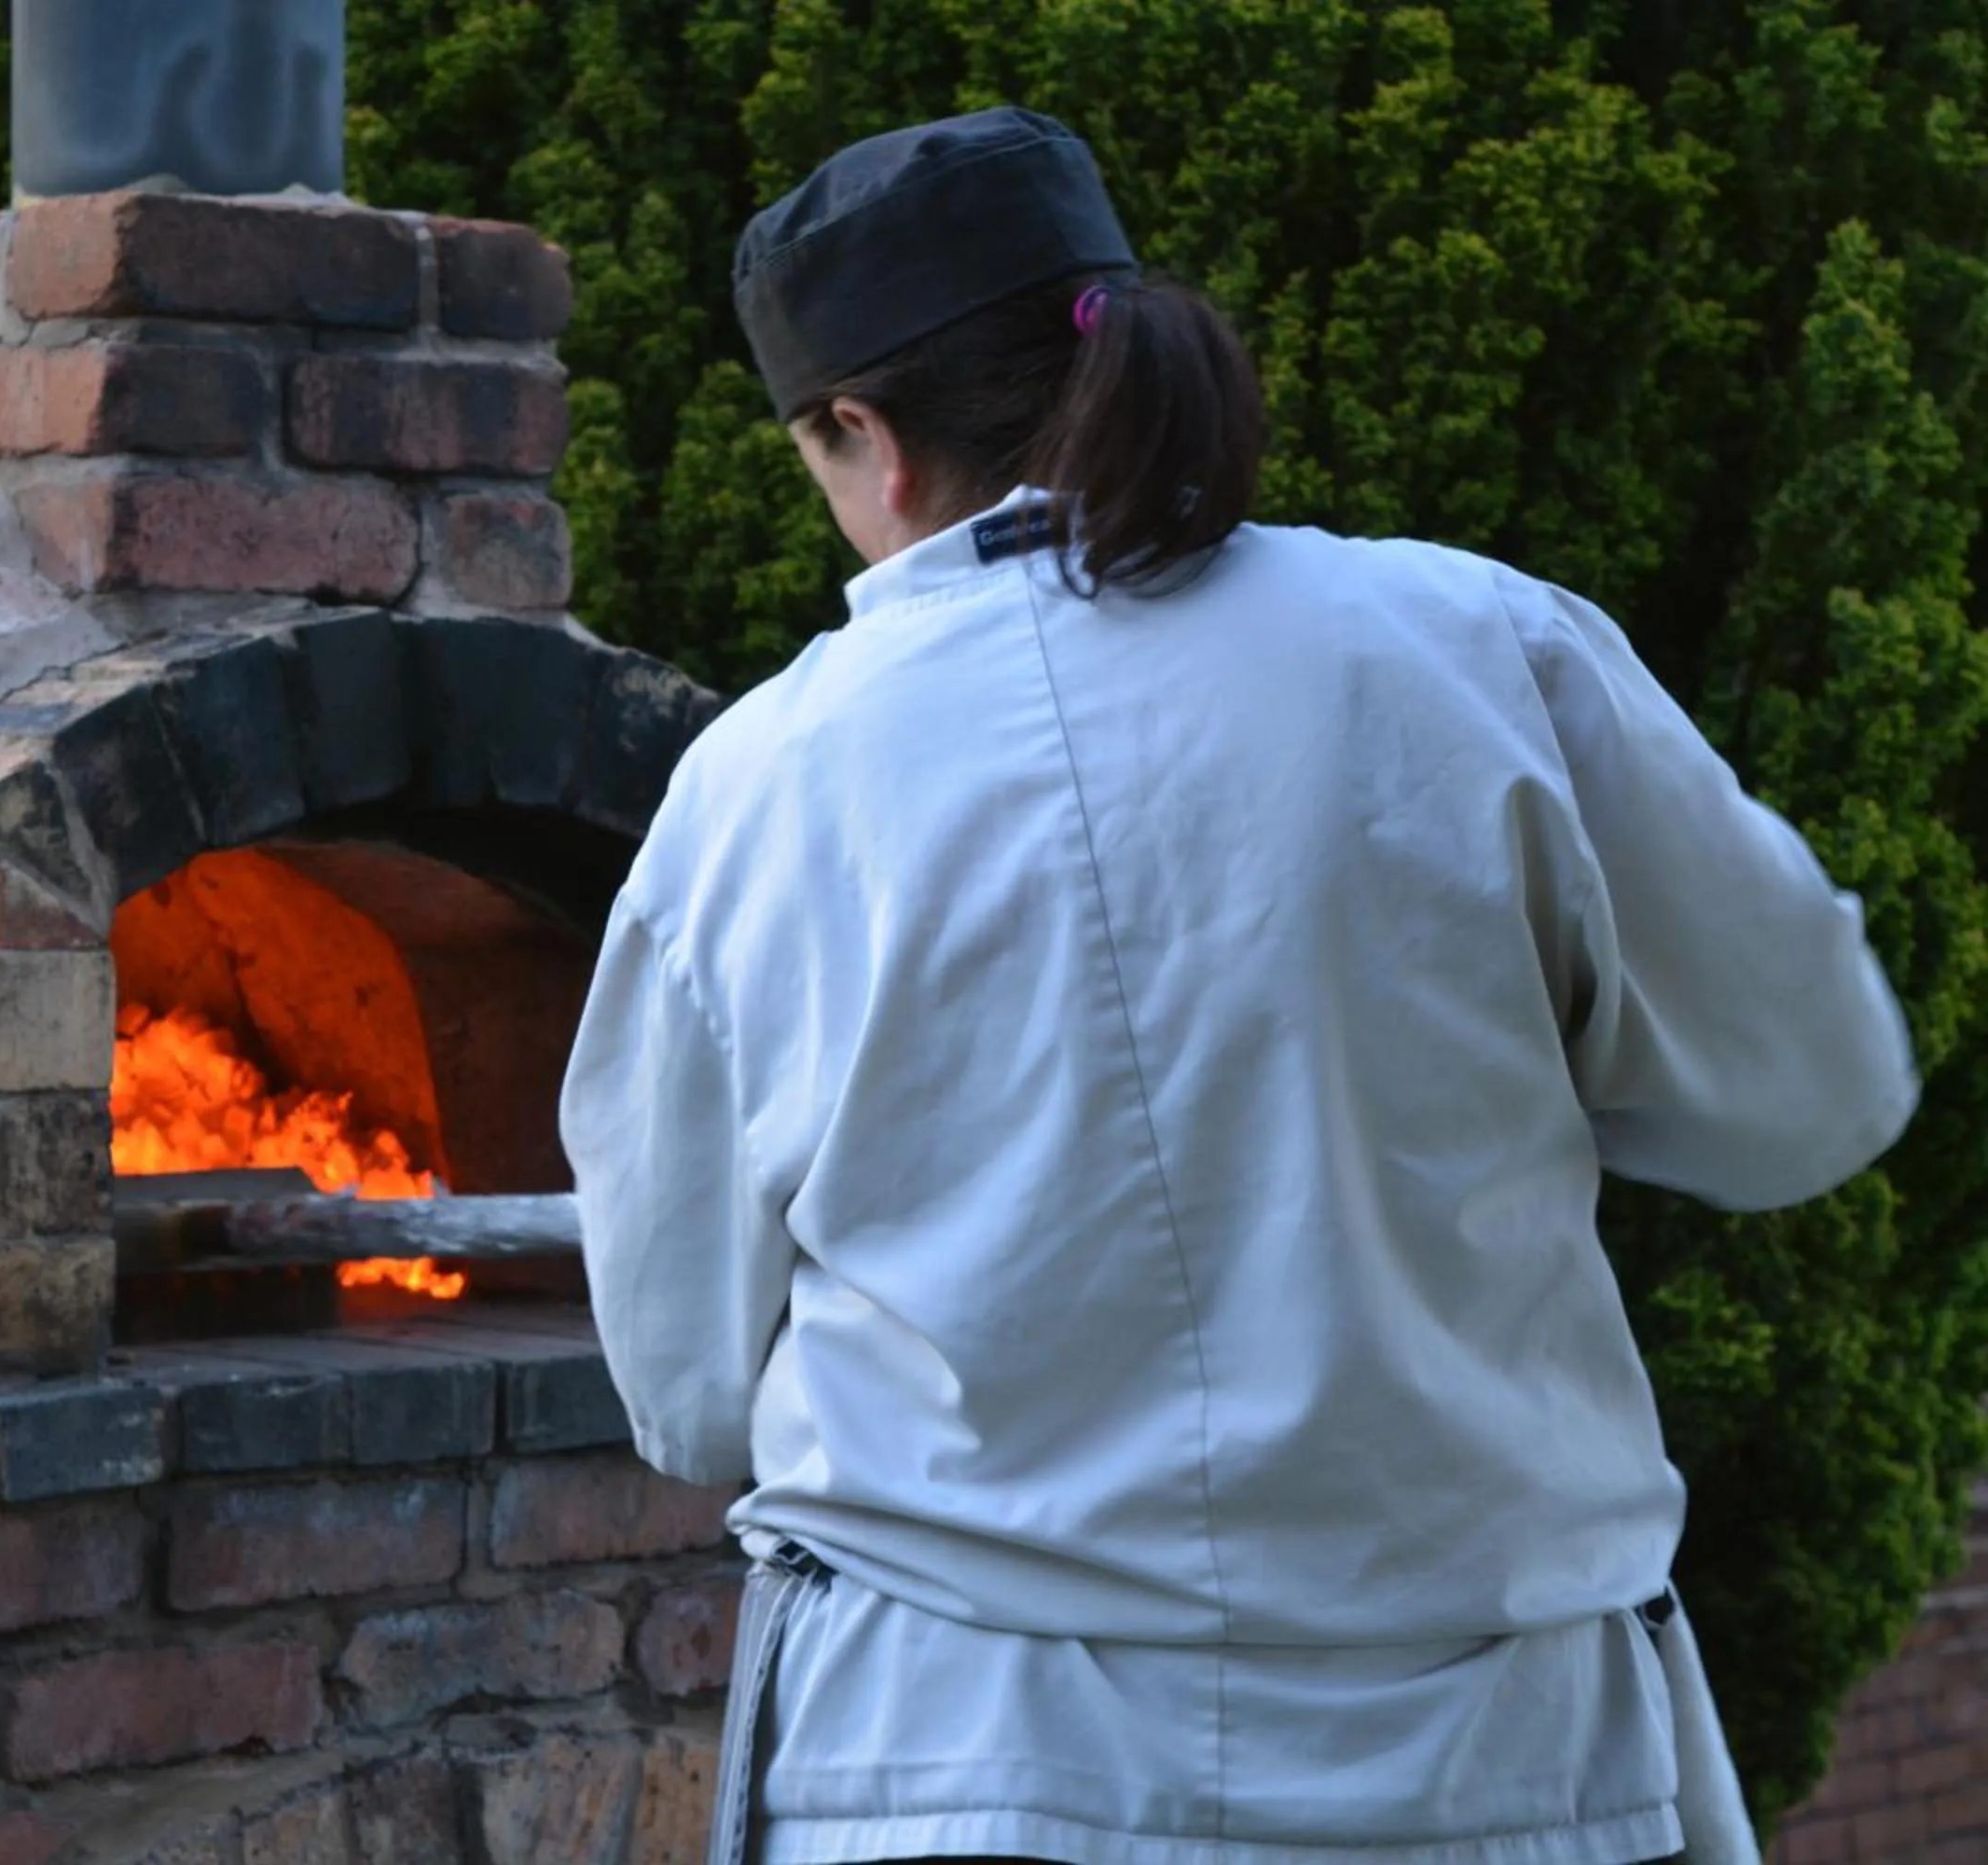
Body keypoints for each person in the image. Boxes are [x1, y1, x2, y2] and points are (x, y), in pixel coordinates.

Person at [557, 106, 1920, 1865]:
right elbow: (1812, 1086)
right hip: (1505, 1778)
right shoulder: (1480, 651)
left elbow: (686, 1389)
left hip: (959, 1774)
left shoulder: (757, 791)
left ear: (861, 438)